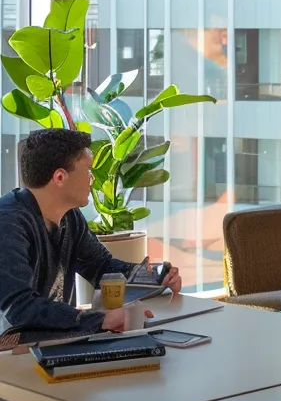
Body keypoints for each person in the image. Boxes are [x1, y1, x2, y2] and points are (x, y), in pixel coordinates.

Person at [0, 129, 183, 338]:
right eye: (88, 170)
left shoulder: (70, 217)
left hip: (51, 343)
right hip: (10, 352)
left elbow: (101, 268)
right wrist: (99, 320)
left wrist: (154, 277)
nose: (92, 179)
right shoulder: (7, 223)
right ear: (60, 177)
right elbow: (19, 308)